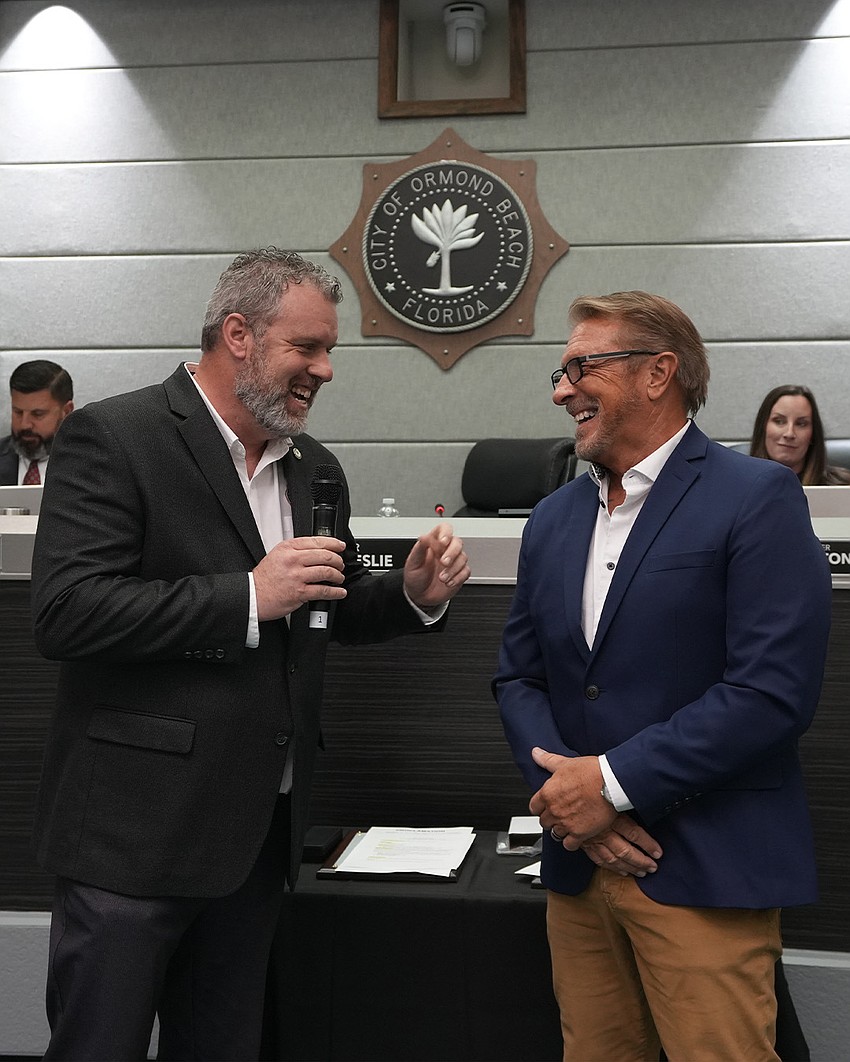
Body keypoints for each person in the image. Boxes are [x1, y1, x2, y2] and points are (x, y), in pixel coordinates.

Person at [30, 248, 470, 1061]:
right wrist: (245, 596)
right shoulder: (116, 436)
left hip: (257, 840)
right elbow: (66, 613)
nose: (325, 370)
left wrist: (411, 595)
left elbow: (321, 608)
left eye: (328, 351)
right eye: (307, 347)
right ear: (239, 334)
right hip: (135, 839)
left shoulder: (316, 468)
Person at [493, 291, 831, 1062]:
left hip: (704, 868)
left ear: (659, 373)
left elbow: (770, 693)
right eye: (560, 369)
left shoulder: (757, 499)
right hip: (579, 872)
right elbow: (518, 678)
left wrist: (607, 788)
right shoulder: (551, 520)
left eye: (583, 367)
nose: (560, 389)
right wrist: (569, 800)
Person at [749, 383, 850, 485]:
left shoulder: (844, 486)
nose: (789, 433)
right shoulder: (737, 484)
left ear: (813, 434)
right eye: (779, 421)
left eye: (801, 424)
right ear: (763, 428)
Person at [0, 359, 74, 484]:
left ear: (66, 411)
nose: (24, 425)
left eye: (37, 414)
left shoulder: (91, 462)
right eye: (18, 412)